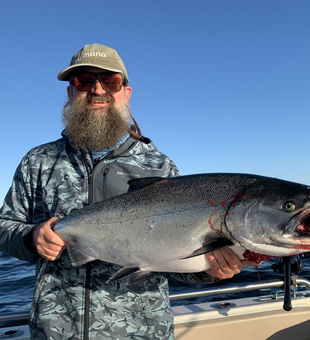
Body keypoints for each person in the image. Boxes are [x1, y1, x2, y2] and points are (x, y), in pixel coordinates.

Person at [0, 43, 259, 340]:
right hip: (55, 331)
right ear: (71, 92)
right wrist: (31, 238)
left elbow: (176, 259)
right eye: (84, 81)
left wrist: (209, 269)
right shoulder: (39, 161)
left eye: (110, 81)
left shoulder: (159, 166)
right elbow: (4, 227)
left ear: (126, 92)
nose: (97, 90)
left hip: (142, 331)